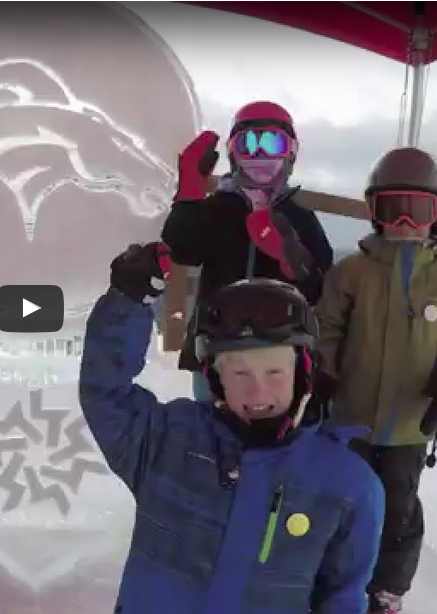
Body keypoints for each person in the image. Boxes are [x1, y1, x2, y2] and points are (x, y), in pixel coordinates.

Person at [79, 242, 384, 614]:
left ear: (303, 374)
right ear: (216, 378)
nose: (257, 390)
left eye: (274, 372)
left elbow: (341, 598)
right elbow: (105, 393)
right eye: (239, 372)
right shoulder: (167, 441)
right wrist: (126, 302)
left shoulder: (347, 485)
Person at [312, 147, 437, 614]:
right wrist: (322, 374)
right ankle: (330, 579)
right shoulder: (352, 273)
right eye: (392, 211)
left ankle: (387, 590)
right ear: (374, 213)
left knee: (399, 511)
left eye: (417, 212)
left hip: (409, 425)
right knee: (341, 500)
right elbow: (328, 327)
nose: (404, 224)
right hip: (352, 417)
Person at [160, 101, 334, 402]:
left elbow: (321, 286)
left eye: (272, 143)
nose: (260, 155)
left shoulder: (299, 218)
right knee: (212, 432)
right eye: (248, 144)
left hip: (278, 353)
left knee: (268, 436)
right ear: (232, 153)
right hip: (216, 348)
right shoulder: (217, 210)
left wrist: (294, 261)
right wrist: (189, 191)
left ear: (290, 152)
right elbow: (182, 249)